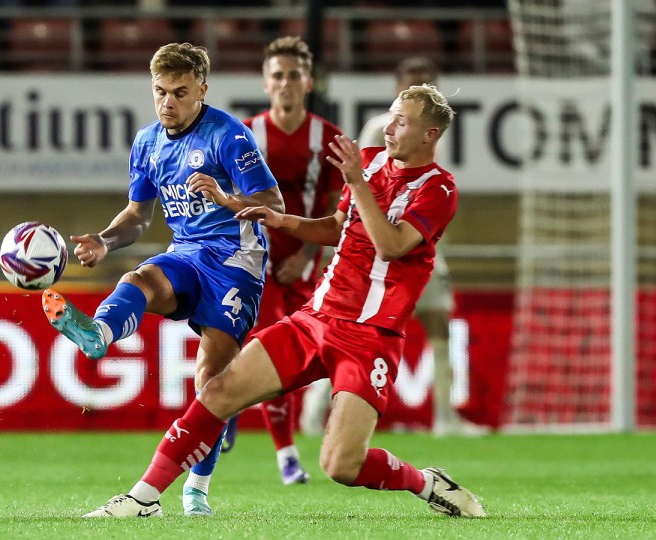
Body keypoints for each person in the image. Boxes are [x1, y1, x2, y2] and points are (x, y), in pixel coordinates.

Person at [81, 84, 486, 519]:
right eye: (390, 117)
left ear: (430, 134)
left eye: (401, 122)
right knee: (218, 391)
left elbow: (390, 245)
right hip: (317, 318)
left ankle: (426, 483)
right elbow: (338, 226)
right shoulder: (370, 163)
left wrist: (355, 181)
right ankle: (143, 498)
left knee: (341, 465)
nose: (388, 128)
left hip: (370, 335)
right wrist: (281, 219)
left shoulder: (439, 189)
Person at [41, 42, 284, 517]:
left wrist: (225, 197)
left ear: (202, 90)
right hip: (187, 252)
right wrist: (105, 241)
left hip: (237, 261)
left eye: (179, 92)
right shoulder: (147, 142)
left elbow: (274, 205)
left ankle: (197, 488)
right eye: (160, 92)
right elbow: (137, 215)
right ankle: (99, 333)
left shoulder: (229, 136)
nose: (167, 102)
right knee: (141, 278)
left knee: (211, 384)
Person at [298, 56, 481, 437]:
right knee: (347, 334)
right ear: (397, 87)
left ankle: (445, 417)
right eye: (413, 81)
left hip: (418, 246)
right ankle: (314, 413)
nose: (422, 86)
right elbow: (362, 185)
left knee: (439, 324)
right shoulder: (380, 128)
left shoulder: (435, 131)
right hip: (377, 249)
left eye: (427, 80)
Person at [223, 35, 345, 486]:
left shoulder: (327, 139)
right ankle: (287, 455)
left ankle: (229, 401)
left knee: (295, 361)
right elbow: (227, 200)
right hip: (255, 261)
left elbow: (337, 210)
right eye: (278, 75)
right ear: (265, 82)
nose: (286, 83)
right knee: (272, 346)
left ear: (308, 82)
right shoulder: (244, 135)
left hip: (306, 265)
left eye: (294, 75)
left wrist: (308, 254)